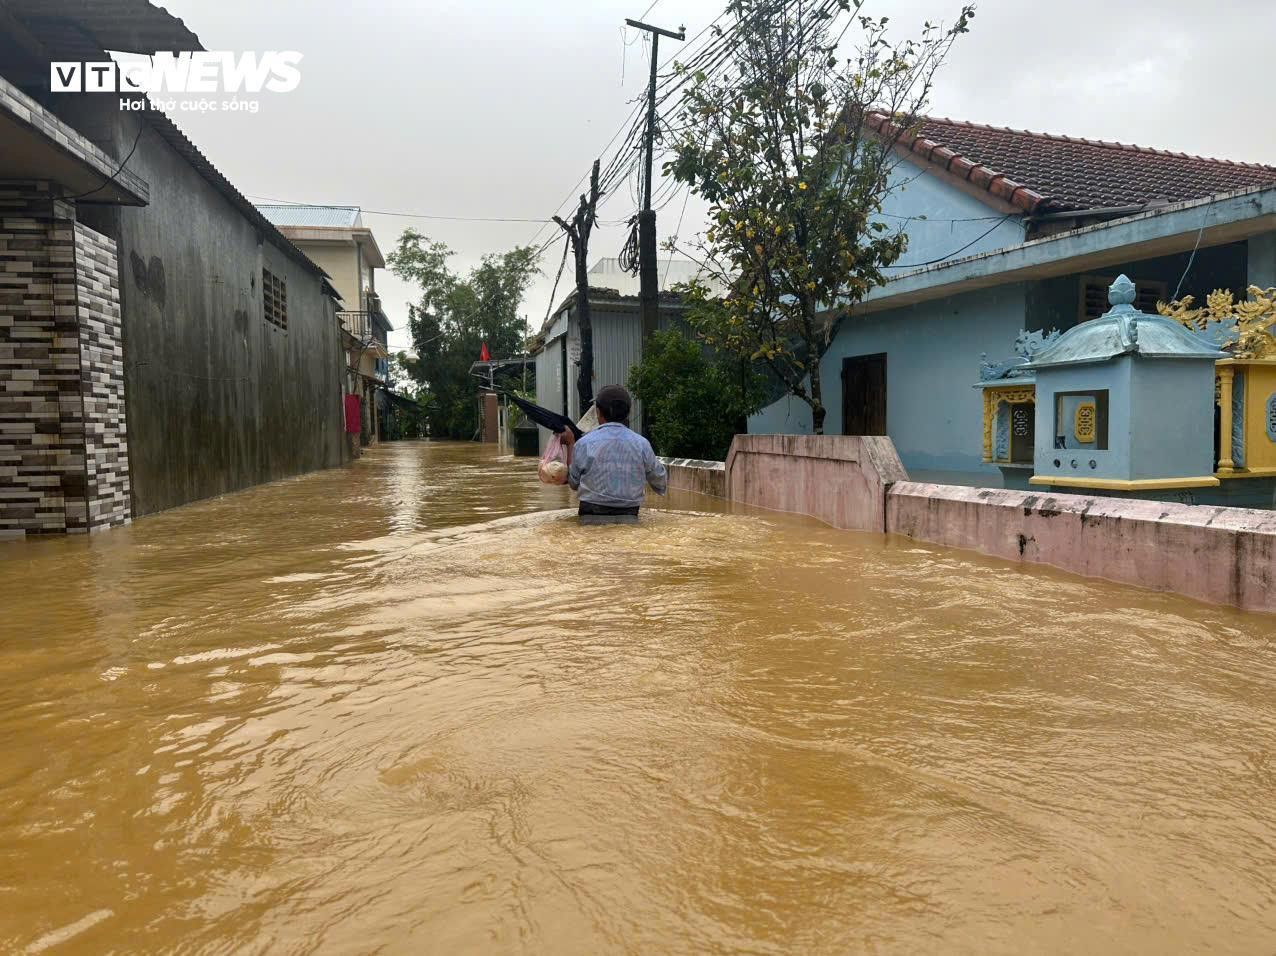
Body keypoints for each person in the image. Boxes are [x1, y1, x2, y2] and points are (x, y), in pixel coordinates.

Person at [561, 385, 667, 519]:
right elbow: (660, 482)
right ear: (628, 413)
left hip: (590, 517)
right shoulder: (642, 444)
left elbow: (573, 483)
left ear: (598, 413)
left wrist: (570, 443)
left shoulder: (583, 443)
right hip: (629, 516)